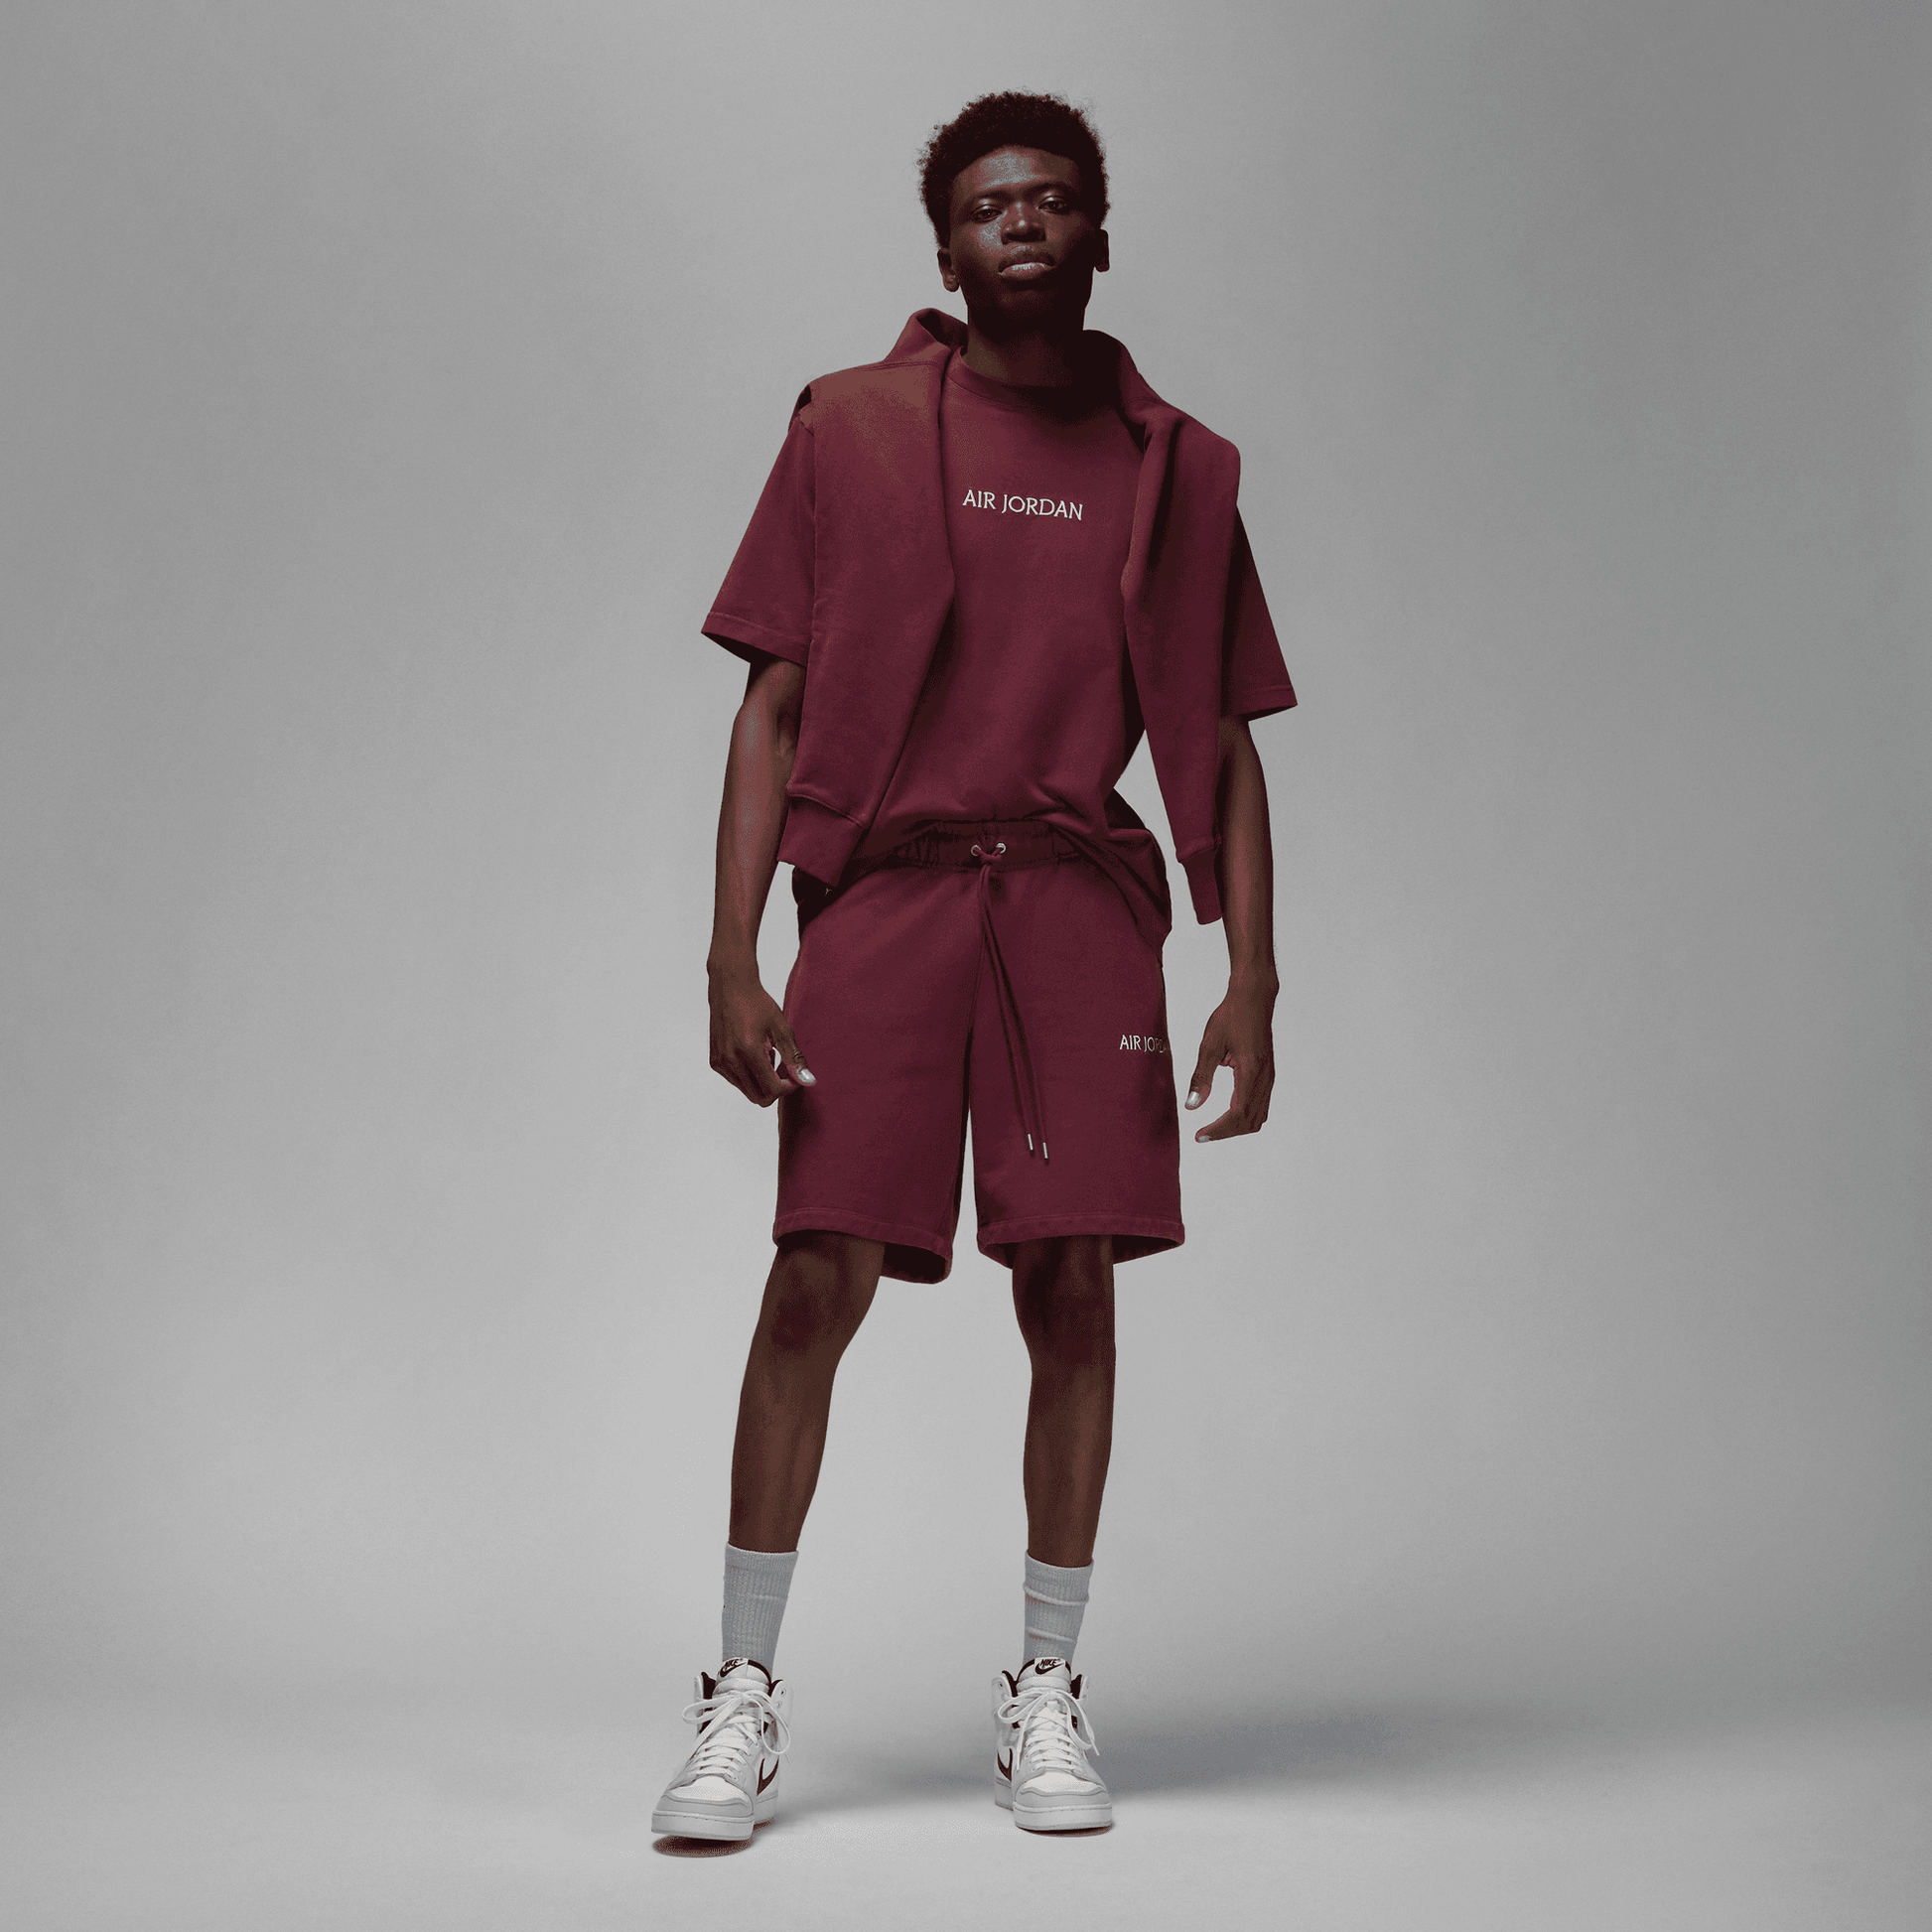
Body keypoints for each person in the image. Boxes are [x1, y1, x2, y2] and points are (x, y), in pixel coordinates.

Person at [651, 90, 1295, 1843]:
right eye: (991, 201)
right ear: (943, 248)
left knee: (1072, 1282)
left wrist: (1252, 977)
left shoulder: (1181, 468)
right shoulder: (850, 426)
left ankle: (1046, 1689)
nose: (1023, 217)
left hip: (1075, 899)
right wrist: (728, 956)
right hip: (887, 891)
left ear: (1100, 238)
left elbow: (1226, 738)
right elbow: (771, 702)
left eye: (1056, 197)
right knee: (814, 1273)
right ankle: (739, 1689)